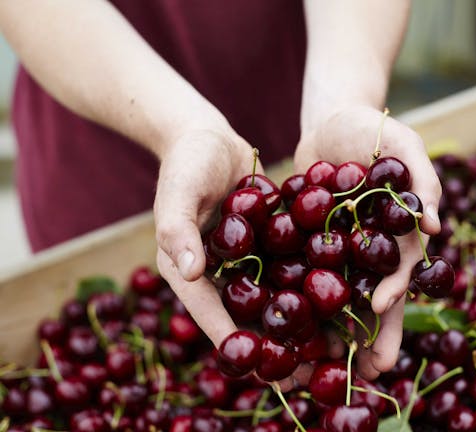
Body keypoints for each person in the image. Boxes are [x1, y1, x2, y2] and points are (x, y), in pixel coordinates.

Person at [0, 0, 441, 390]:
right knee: (112, 321)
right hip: (102, 120)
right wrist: (182, 129)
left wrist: (342, 100)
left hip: (296, 89)